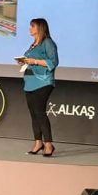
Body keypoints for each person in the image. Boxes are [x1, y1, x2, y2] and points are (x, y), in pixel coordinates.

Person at [18, 18, 59, 157]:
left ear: (40, 28)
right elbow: (30, 60)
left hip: (43, 82)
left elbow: (53, 61)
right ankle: (38, 142)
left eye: (33, 26)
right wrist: (24, 62)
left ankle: (48, 144)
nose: (30, 29)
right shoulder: (33, 45)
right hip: (29, 82)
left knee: (39, 112)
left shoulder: (48, 43)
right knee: (33, 114)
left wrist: (34, 61)